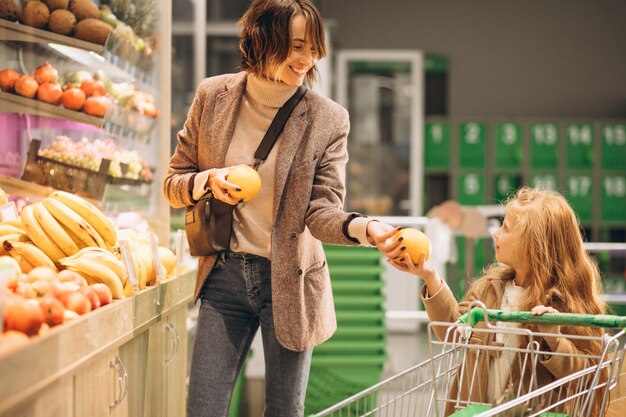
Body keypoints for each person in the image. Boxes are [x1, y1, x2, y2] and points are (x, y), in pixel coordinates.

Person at [163, 1, 396, 416]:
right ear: (260, 39)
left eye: (313, 48)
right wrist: (206, 181)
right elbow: (173, 183)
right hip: (223, 277)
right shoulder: (213, 96)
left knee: (285, 410)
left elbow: (321, 212)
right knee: (203, 407)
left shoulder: (328, 119)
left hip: (290, 280)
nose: (307, 59)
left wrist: (366, 228)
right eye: (295, 45)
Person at [386, 187, 607, 415]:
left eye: (506, 228)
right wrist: (429, 276)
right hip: (476, 410)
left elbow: (590, 375)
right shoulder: (490, 289)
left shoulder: (565, 305)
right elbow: (452, 328)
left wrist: (555, 340)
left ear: (532, 247)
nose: (496, 233)